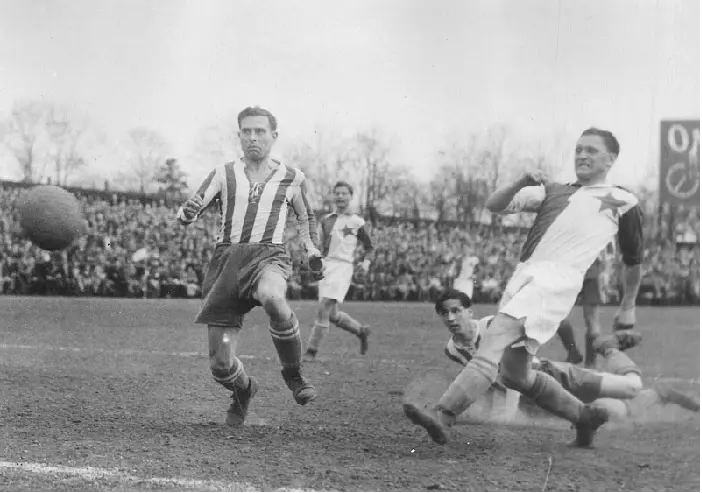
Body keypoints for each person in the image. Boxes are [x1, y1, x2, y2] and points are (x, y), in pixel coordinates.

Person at [404, 128, 645, 447]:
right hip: (524, 277)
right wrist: (520, 181)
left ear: (611, 159)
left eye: (591, 150)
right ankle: (584, 418)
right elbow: (495, 205)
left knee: (494, 337)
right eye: (578, 149)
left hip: (556, 281)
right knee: (515, 374)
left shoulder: (622, 199)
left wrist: (628, 305)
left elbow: (633, 260)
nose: (582, 155)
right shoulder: (554, 191)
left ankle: (444, 413)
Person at [176, 106, 324, 426]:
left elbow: (305, 217)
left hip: (269, 257)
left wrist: (311, 249)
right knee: (220, 364)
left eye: (260, 131)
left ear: (274, 136)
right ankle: (243, 389)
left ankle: (293, 373)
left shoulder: (293, 178)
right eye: (246, 131)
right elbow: (193, 207)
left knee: (273, 297)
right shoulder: (222, 173)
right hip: (227, 264)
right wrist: (186, 213)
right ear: (239, 135)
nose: (253, 137)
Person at [432, 289, 699, 424]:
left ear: (470, 311)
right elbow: (487, 379)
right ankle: (661, 395)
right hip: (532, 400)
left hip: (550, 376)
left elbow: (513, 372)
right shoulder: (452, 349)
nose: (451, 319)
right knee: (613, 414)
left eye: (456, 311)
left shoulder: (494, 326)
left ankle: (609, 347)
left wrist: (506, 415)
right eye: (445, 314)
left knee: (631, 386)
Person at [303, 181, 373, 362]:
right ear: (333, 197)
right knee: (332, 315)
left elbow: (369, 246)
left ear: (351, 196)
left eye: (344, 193)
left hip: (343, 267)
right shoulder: (327, 220)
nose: (340, 196)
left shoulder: (357, 221)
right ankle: (361, 331)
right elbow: (319, 245)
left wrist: (365, 263)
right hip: (327, 267)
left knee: (324, 306)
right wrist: (314, 259)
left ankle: (311, 351)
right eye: (337, 193)